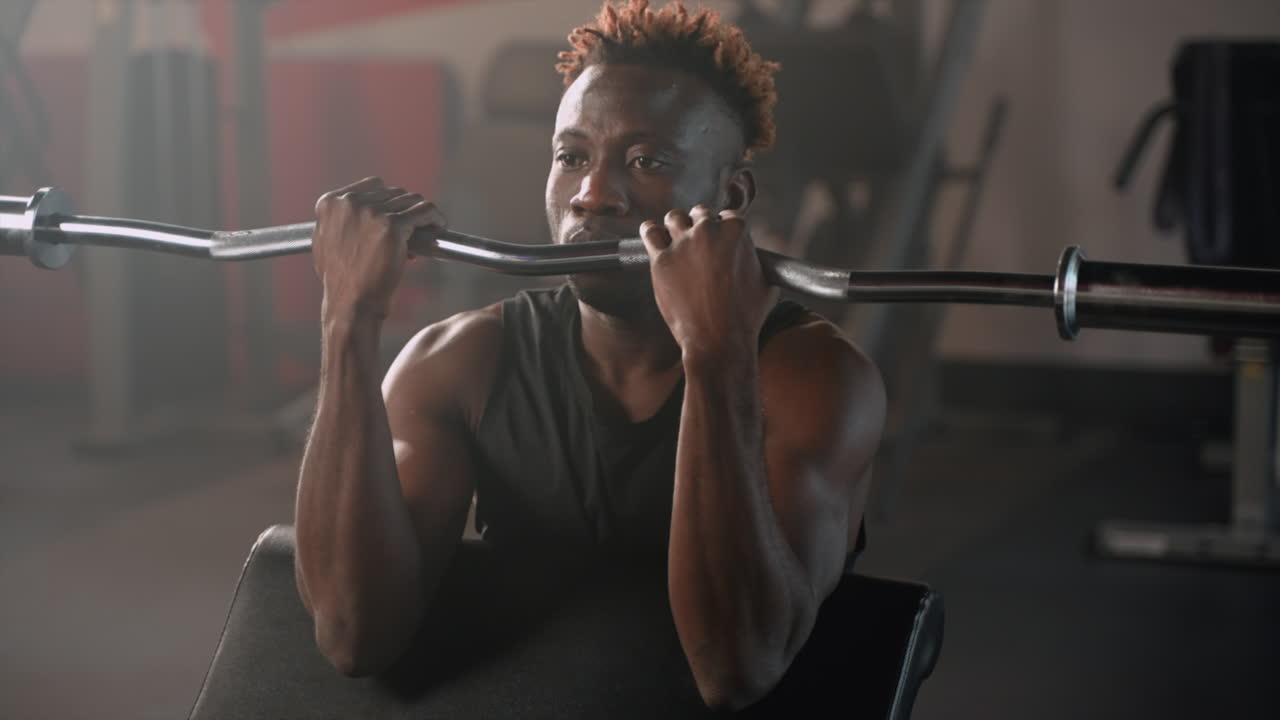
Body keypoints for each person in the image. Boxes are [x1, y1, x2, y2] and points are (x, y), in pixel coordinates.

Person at [293, 0, 885, 711]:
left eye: (647, 161)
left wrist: (716, 351)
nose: (593, 195)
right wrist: (348, 319)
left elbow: (738, 668)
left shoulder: (813, 377)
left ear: (730, 197)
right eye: (571, 157)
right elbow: (355, 635)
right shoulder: (460, 364)